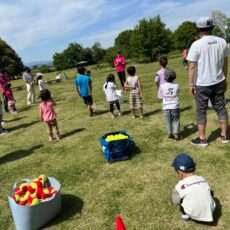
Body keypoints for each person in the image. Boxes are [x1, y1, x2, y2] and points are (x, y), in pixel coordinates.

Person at [187, 16, 229, 147]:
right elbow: (225, 62)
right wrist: (225, 78)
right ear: (212, 28)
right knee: (221, 108)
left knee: (201, 111)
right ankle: (224, 136)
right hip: (218, 80)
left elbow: (192, 66)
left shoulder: (196, 44)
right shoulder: (222, 41)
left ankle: (202, 139)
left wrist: (190, 83)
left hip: (202, 83)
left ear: (198, 29)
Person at [172, 153, 216, 222]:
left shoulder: (180, 185)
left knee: (181, 198)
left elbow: (175, 201)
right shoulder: (202, 179)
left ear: (180, 172)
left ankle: (185, 216)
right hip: (211, 210)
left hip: (193, 214)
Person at [159, 69, 180, 140]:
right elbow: (177, 92)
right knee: (176, 120)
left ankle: (170, 133)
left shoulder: (162, 86)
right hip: (175, 106)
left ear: (165, 77)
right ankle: (176, 134)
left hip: (166, 106)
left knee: (168, 121)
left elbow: (161, 95)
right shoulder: (176, 85)